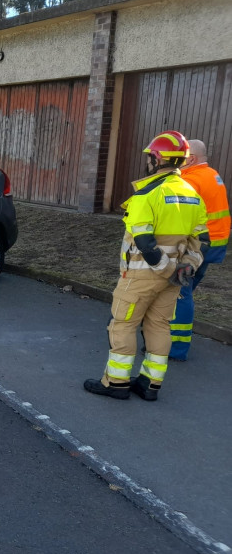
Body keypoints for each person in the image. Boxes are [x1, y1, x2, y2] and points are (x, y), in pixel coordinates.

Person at [84, 130, 208, 402]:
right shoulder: (191, 193)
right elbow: (202, 240)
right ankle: (150, 385)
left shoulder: (146, 195)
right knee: (159, 326)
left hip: (141, 275)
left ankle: (115, 383)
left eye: (149, 156)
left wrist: (164, 268)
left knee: (123, 325)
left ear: (156, 158)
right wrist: (184, 268)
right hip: (175, 277)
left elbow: (143, 240)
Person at [168, 139, 230, 361]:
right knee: (185, 290)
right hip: (214, 244)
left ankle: (176, 348)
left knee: (179, 293)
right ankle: (169, 333)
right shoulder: (212, 175)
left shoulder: (190, 181)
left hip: (198, 246)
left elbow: (180, 218)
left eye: (180, 155)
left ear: (190, 159)